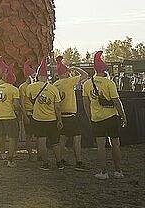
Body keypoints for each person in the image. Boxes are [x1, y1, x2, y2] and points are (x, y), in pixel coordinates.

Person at [82, 51, 128, 180]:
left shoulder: (87, 84)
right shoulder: (109, 83)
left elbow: (86, 104)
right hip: (111, 117)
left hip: (96, 118)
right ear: (104, 70)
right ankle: (118, 171)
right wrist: (123, 116)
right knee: (115, 144)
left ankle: (103, 172)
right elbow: (117, 102)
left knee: (100, 146)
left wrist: (90, 117)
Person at [26, 59, 64, 171]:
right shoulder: (53, 89)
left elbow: (29, 98)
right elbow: (57, 107)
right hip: (52, 119)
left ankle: (45, 163)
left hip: (38, 119)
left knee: (41, 141)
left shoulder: (31, 87)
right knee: (55, 143)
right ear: (46, 77)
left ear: (37, 76)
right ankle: (59, 163)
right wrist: (59, 120)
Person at [53, 57, 89, 171]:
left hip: (61, 116)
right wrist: (75, 68)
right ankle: (78, 162)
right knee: (77, 139)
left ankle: (62, 159)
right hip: (71, 116)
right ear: (65, 73)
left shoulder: (55, 84)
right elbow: (85, 75)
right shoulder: (68, 81)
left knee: (62, 139)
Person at [0, 57, 21, 167]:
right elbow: (16, 105)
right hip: (9, 116)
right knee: (13, 138)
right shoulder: (14, 89)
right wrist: (18, 111)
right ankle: (11, 160)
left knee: (0, 136)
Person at [19, 59, 37, 161]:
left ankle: (38, 155)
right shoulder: (23, 87)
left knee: (39, 136)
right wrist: (25, 115)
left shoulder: (35, 85)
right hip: (29, 113)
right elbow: (21, 103)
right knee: (29, 136)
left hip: (36, 113)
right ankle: (30, 155)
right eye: (33, 75)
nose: (35, 77)